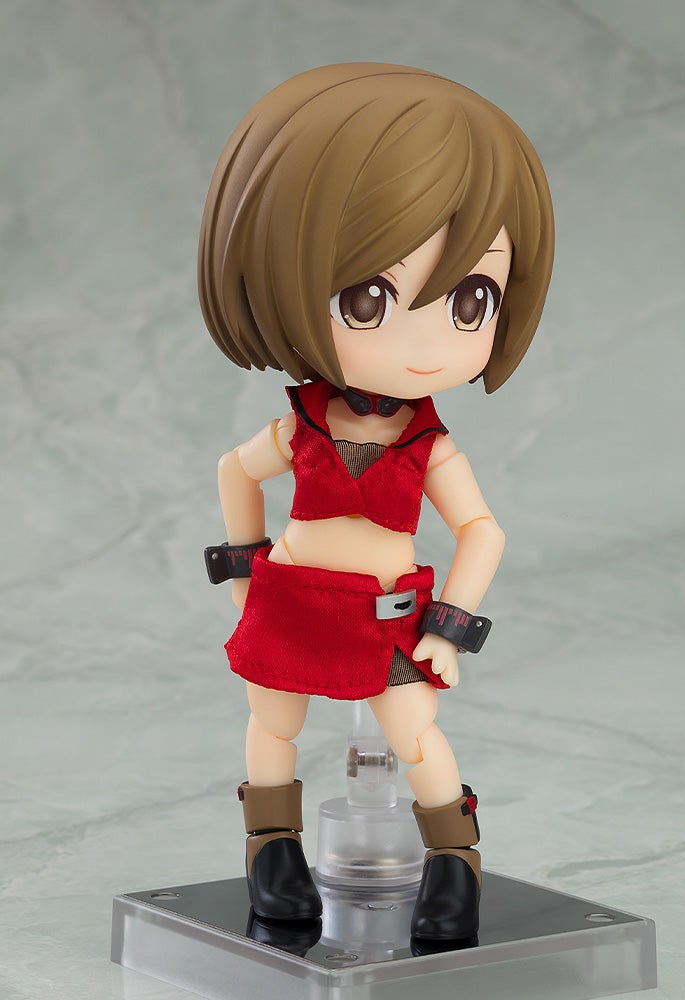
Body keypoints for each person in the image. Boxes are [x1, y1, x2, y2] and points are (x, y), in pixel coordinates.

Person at [198, 62, 553, 943]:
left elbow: (482, 530)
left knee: (415, 733)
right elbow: (235, 472)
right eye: (369, 298)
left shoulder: (431, 447)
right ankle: (272, 848)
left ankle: (453, 861)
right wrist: (245, 575)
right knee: (272, 724)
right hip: (292, 601)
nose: (426, 344)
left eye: (471, 300)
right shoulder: (300, 428)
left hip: (387, 615)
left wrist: (450, 625)